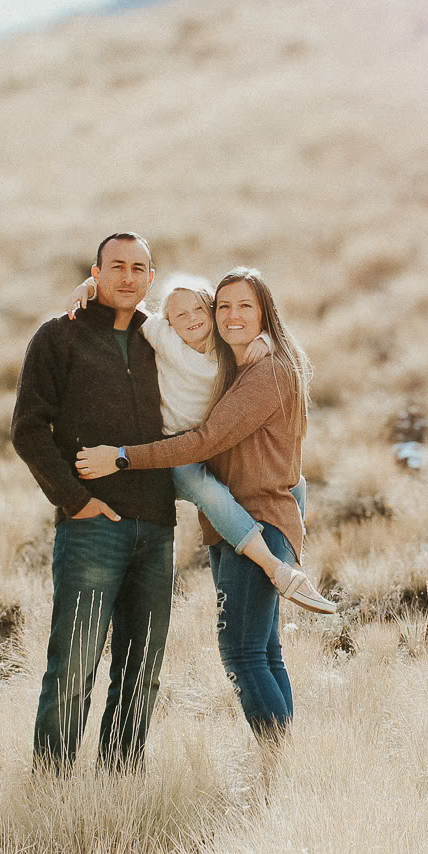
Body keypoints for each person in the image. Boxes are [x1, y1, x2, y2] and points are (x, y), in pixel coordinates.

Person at [78, 267, 315, 743]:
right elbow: (158, 324)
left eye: (244, 306)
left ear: (265, 311)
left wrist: (123, 457)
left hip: (260, 517)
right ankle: (287, 763)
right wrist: (93, 293)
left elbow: (203, 441)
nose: (231, 316)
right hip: (239, 518)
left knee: (242, 653)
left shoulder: (266, 372)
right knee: (265, 651)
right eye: (224, 306)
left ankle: (276, 760)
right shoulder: (242, 364)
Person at [68, 271, 336, 614]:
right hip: (172, 450)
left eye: (200, 309)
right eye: (181, 314)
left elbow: (254, 335)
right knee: (205, 489)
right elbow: (125, 302)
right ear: (169, 321)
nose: (192, 319)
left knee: (290, 483)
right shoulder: (162, 335)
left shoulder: (226, 350)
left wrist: (266, 340)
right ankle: (275, 567)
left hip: (202, 448)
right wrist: (91, 287)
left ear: (211, 312)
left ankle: (288, 560)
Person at [11, 232, 176, 772]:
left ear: (151, 279)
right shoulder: (60, 337)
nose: (127, 276)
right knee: (74, 666)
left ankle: (118, 784)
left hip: (157, 527)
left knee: (142, 667)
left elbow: (221, 330)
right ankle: (52, 788)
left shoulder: (164, 341)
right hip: (90, 529)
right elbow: (29, 430)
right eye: (116, 266)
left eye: (139, 268)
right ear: (97, 271)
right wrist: (75, 501)